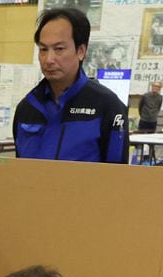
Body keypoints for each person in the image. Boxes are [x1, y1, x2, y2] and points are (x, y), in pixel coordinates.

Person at [13, 8, 128, 164]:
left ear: (81, 51)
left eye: (59, 49)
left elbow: (117, 176)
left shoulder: (108, 106)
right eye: (43, 49)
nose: (49, 59)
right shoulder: (27, 108)